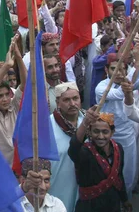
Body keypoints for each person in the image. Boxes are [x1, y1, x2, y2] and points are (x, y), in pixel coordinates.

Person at [95, 46, 139, 194]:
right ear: (107, 70)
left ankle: (127, 199)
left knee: (128, 171)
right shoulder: (101, 87)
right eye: (114, 69)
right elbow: (119, 94)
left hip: (127, 135)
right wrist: (136, 66)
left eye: (122, 69)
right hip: (106, 136)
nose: (118, 73)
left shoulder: (130, 82)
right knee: (106, 171)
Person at [68, 109, 130, 212]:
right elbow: (73, 148)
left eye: (105, 132)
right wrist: (85, 122)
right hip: (90, 207)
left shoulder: (118, 149)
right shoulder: (84, 152)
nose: (100, 136)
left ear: (112, 132)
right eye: (96, 131)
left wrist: (124, 199)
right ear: (89, 132)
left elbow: (119, 177)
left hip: (113, 204)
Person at [0, 39, 26, 164]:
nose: (5, 99)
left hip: (19, 167)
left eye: (7, 94)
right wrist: (6, 66)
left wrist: (18, 57)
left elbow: (25, 84)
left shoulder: (14, 106)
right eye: (0, 96)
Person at [49, 82, 85, 211]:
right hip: (58, 186)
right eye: (66, 100)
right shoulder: (47, 125)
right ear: (58, 102)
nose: (72, 103)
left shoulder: (87, 122)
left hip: (84, 188)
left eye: (75, 98)